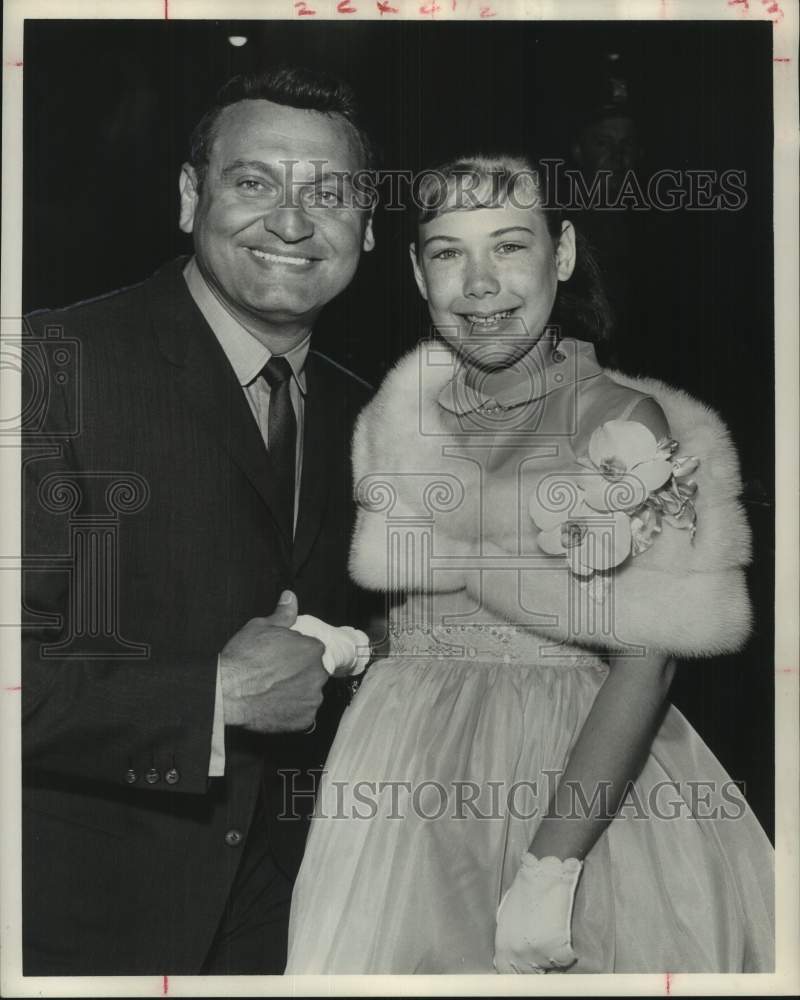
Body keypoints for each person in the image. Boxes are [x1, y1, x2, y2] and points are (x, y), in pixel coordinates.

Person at [285, 153, 775, 973]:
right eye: (448, 252)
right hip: (396, 771)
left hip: (561, 771)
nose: (480, 284)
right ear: (415, 270)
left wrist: (552, 867)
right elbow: (400, 603)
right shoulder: (396, 413)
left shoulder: (622, 418)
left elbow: (647, 664)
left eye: (510, 246)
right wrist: (354, 644)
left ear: (565, 253)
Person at [22, 66, 378, 975]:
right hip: (71, 929)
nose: (292, 223)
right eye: (253, 182)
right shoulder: (50, 368)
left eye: (328, 194)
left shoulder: (371, 415)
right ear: (189, 198)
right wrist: (212, 698)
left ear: (368, 229)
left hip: (299, 919)